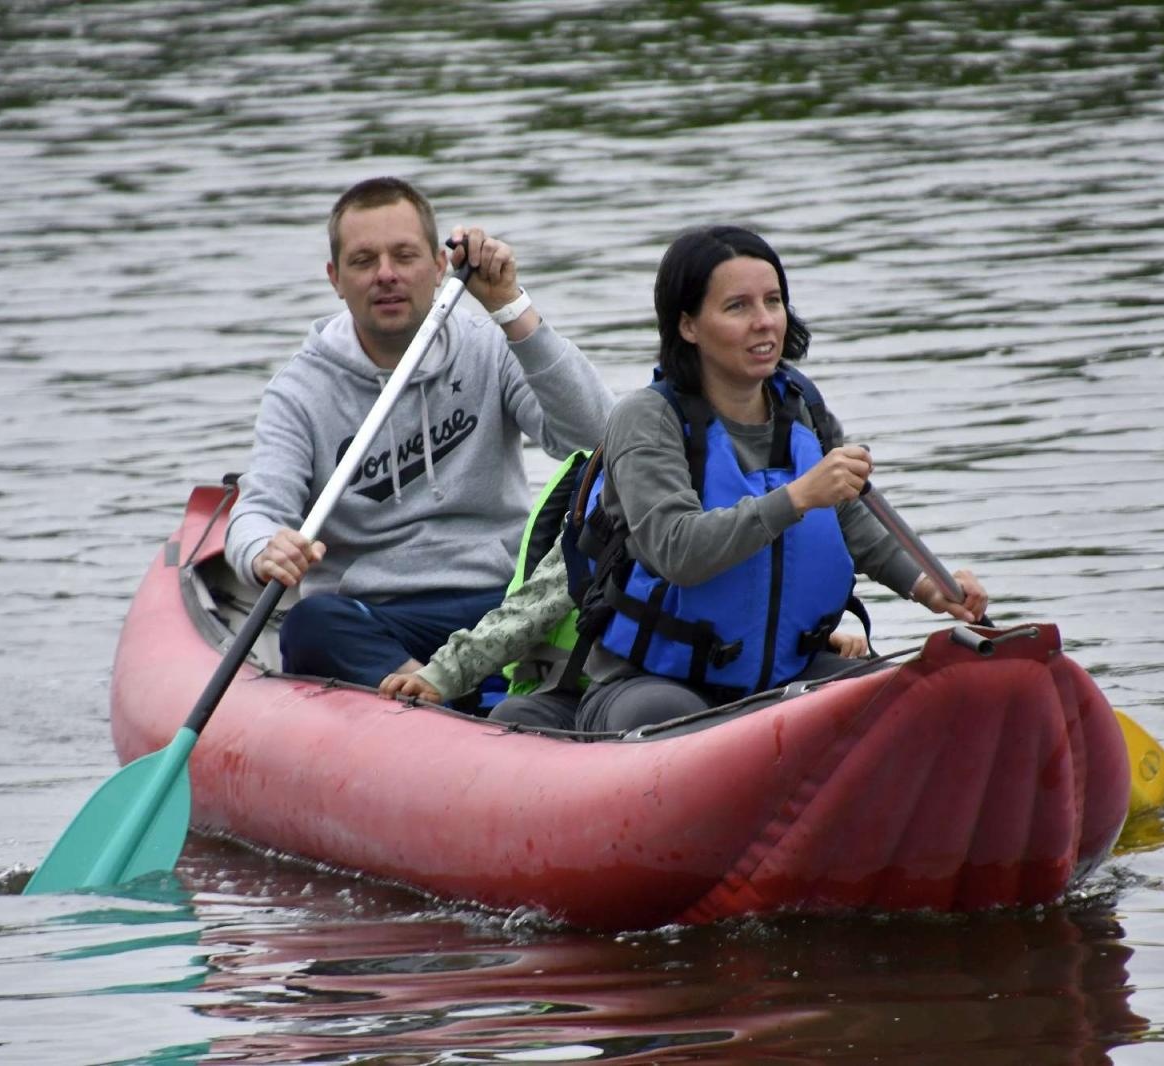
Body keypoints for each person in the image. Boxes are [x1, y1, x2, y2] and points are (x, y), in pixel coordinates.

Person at [568, 224, 989, 734]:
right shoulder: (647, 419)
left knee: (907, 699)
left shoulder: (803, 409)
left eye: (773, 301)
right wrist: (796, 497)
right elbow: (677, 551)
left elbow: (853, 523)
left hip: (788, 675)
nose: (765, 323)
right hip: (654, 684)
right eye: (738, 307)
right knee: (668, 717)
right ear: (688, 326)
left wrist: (926, 585)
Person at [224, 177, 616, 688]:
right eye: (363, 261)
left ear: (437, 267)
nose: (386, 275)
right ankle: (444, 702)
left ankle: (462, 692)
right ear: (335, 278)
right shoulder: (299, 390)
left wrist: (512, 308)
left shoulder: (490, 346)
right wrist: (263, 550)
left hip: (499, 602)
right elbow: (254, 512)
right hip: (376, 615)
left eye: (404, 256)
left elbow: (598, 438)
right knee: (310, 626)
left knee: (599, 585)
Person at [377, 536, 872, 729]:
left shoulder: (789, 458)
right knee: (658, 713)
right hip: (619, 682)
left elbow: (778, 588)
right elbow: (532, 606)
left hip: (745, 677)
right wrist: (445, 674)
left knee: (867, 682)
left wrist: (822, 636)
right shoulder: (628, 479)